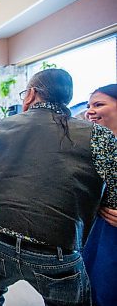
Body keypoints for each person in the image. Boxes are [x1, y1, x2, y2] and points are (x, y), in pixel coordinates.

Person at [0, 69, 116, 306]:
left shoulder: (1, 125)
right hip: (56, 249)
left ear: (32, 93)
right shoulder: (98, 135)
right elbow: (112, 201)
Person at [83, 84, 117, 306]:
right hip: (98, 231)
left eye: (99, 104)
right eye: (88, 106)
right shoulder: (94, 145)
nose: (90, 111)